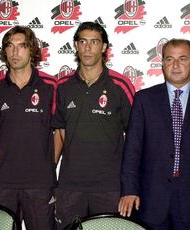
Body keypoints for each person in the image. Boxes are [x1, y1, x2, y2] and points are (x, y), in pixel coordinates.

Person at [119, 39, 190, 230]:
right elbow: (132, 151)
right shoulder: (144, 100)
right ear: (162, 63)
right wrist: (129, 190)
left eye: (182, 59)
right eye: (169, 59)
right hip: (151, 200)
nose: (175, 65)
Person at [52, 21, 135, 230]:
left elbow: (136, 140)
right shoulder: (62, 86)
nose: (88, 48)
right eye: (83, 42)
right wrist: (47, 177)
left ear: (104, 47)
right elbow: (59, 134)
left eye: (94, 42)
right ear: (76, 45)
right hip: (70, 187)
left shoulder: (120, 86)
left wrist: (131, 186)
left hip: (109, 188)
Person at [0, 26, 56, 230]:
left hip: (40, 183)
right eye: (10, 46)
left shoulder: (50, 86)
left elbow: (60, 131)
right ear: (4, 51)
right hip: (4, 183)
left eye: (21, 46)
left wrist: (47, 163)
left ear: (31, 50)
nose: (15, 52)